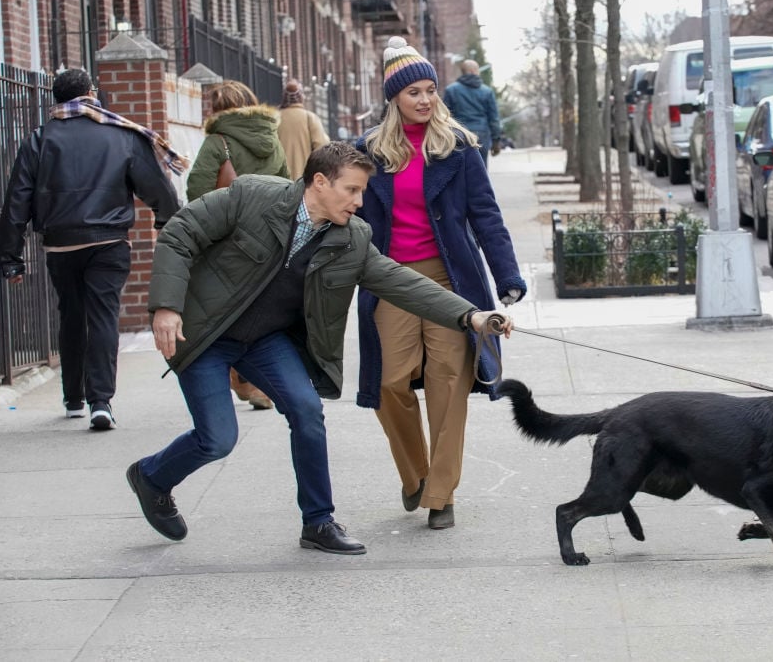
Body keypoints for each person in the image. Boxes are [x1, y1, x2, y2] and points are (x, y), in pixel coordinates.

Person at [127, 142, 513, 554]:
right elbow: (181, 232)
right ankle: (151, 478)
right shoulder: (253, 196)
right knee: (217, 438)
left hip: (265, 341)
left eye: (362, 191)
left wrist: (470, 316)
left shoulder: (352, 240)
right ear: (319, 182)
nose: (359, 202)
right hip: (207, 334)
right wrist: (166, 307)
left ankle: (318, 522)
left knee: (307, 410)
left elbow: (403, 283)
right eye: (351, 190)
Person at [355, 37, 526, 530]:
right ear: (394, 99)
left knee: (448, 382)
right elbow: (349, 219)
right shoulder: (368, 152)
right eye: (415, 93)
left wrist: (507, 276)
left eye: (431, 90)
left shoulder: (459, 147)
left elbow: (486, 217)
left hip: (450, 280)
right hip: (390, 281)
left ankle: (441, 493)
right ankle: (416, 475)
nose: (426, 100)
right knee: (389, 382)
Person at [0, 68, 184, 430]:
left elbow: (16, 201)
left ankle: (73, 398)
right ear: (91, 93)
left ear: (57, 99)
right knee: (102, 316)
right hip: (109, 242)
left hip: (60, 245)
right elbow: (157, 186)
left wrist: (11, 260)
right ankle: (101, 401)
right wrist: (167, 221)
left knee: (71, 315)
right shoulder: (120, 134)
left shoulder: (39, 139)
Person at [187, 79, 289, 410]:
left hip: (226, 241)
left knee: (223, 312)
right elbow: (287, 185)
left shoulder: (218, 142)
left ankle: (238, 379)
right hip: (267, 239)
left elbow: (197, 189)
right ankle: (256, 382)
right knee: (257, 310)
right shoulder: (272, 139)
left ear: (218, 110)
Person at [442, 58, 503, 166]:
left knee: (461, 170)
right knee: (481, 169)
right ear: (475, 71)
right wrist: (496, 141)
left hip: (459, 134)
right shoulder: (487, 92)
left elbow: (445, 116)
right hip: (481, 135)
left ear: (463, 72)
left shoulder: (451, 90)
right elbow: (493, 118)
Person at [277, 78, 329, 178]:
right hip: (304, 178)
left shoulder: (275, 118)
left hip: (279, 180)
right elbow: (322, 146)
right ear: (301, 97)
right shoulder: (309, 118)